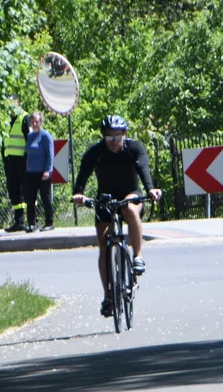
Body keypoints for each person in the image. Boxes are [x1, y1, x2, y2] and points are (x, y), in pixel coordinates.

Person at [71, 115, 163, 317]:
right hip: (106, 199)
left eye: (117, 137)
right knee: (104, 245)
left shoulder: (134, 148)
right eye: (109, 138)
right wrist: (78, 193)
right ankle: (108, 296)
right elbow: (84, 173)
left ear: (124, 134)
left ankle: (138, 256)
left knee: (130, 209)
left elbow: (143, 169)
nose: (113, 142)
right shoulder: (96, 152)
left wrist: (150, 190)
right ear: (103, 137)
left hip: (130, 194)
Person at [24, 111, 55, 232]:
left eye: (37, 121)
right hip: (30, 172)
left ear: (41, 122)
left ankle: (49, 222)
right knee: (30, 199)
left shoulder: (46, 136)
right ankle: (32, 223)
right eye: (32, 122)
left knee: (45, 198)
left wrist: (47, 170)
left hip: (43, 172)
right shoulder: (30, 136)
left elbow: (50, 154)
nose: (34, 123)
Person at [2, 101, 29, 232]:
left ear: (18, 103)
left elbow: (30, 140)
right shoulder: (5, 120)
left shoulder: (25, 117)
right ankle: (18, 221)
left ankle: (31, 220)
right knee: (14, 191)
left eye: (12, 104)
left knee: (27, 190)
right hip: (10, 161)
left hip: (23, 160)